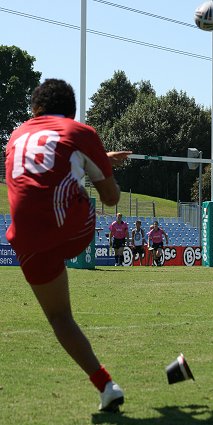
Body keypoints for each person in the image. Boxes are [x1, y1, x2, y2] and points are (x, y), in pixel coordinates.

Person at [5, 79, 132, 413]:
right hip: (71, 230)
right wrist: (101, 167)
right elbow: (111, 197)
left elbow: (43, 165)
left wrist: (91, 160)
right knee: (89, 197)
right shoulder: (80, 131)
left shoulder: (15, 136)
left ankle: (106, 386)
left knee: (60, 316)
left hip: (27, 238)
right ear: (72, 112)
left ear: (35, 110)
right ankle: (106, 386)